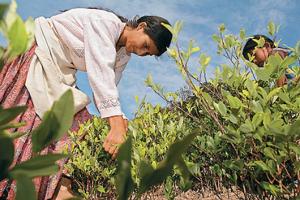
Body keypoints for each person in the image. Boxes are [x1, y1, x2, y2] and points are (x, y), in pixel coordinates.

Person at [0, 7, 172, 200]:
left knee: (81, 124)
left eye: (147, 53)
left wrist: (121, 123)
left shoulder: (123, 56)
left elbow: (107, 92)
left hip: (60, 74)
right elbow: (101, 77)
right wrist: (115, 126)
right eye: (146, 46)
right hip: (39, 52)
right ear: (141, 26)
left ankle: (61, 185)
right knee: (22, 116)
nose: (142, 52)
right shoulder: (105, 23)